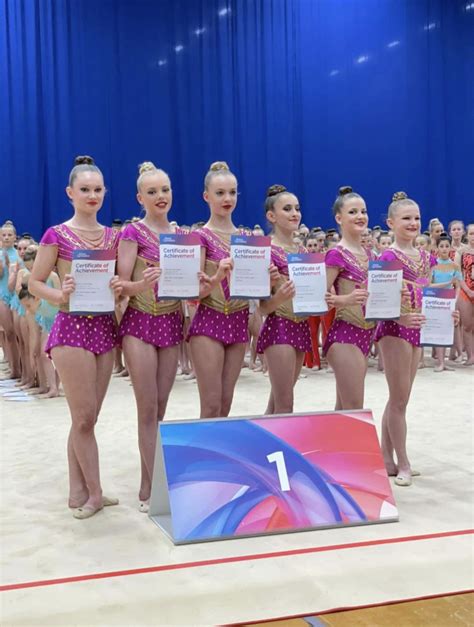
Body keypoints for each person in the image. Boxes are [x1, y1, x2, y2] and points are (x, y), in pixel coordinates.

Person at [29, 155, 122, 519]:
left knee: (88, 418)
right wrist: (60, 294)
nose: (92, 195)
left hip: (104, 328)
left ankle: (77, 491)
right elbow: (35, 282)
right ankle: (94, 494)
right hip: (71, 329)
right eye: (85, 189)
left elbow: (120, 286)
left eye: (97, 189)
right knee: (82, 418)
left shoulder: (113, 236)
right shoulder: (56, 234)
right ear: (70, 193)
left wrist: (119, 288)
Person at [375, 192, 459, 486]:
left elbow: (431, 293)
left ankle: (386, 458)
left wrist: (447, 313)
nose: (413, 223)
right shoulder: (387, 257)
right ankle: (404, 462)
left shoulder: (425, 257)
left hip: (418, 327)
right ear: (390, 223)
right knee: (399, 400)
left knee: (400, 398)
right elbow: (378, 302)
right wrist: (400, 318)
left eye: (417, 218)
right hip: (395, 329)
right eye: (406, 218)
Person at [117, 162, 184, 512]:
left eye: (165, 190)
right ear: (140, 197)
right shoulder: (132, 232)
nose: (161, 196)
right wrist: (141, 285)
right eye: (153, 191)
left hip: (171, 323)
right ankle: (152, 485)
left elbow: (190, 286)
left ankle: (152, 478)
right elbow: (120, 283)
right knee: (147, 407)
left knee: (161, 406)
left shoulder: (181, 235)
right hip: (140, 323)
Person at [187, 161, 275, 418]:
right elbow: (192, 293)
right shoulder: (200, 237)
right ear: (206, 196)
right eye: (220, 193)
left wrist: (269, 279)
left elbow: (258, 294)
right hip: (208, 321)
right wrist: (217, 278)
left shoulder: (247, 239)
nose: (227, 199)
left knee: (225, 404)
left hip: (238, 322)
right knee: (211, 404)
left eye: (232, 192)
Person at [257, 185, 312, 414]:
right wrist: (279, 296)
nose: (295, 213)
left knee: (278, 401)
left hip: (300, 325)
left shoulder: (303, 252)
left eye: (297, 208)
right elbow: (262, 308)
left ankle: (263, 437)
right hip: (279, 326)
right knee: (285, 403)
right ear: (272, 216)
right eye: (287, 209)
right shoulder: (265, 250)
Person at [323, 186, 375, 410]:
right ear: (339, 218)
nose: (360, 216)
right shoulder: (336, 254)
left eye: (363, 211)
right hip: (345, 334)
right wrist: (346, 300)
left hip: (366, 333)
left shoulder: (370, 254)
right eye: (353, 212)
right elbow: (317, 297)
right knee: (354, 408)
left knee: (344, 409)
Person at [430, 234, 462, 372]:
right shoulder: (433, 265)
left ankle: (444, 361)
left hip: (449, 301)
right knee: (438, 330)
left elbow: (458, 286)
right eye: (441, 246)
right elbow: (429, 284)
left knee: (446, 330)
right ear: (437, 248)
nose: (444, 249)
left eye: (446, 246)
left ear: (450, 248)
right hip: (436, 300)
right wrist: (447, 283)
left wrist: (455, 300)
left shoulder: (455, 266)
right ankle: (440, 362)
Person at [0, 222, 21, 378]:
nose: (6, 237)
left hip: (17, 296)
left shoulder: (19, 254)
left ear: (15, 237)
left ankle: (23, 367)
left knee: (19, 334)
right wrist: (2, 267)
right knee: (8, 332)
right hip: (3, 294)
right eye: (4, 235)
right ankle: (14, 368)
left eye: (9, 235)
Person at [455, 223, 474, 365]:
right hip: (465, 291)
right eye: (471, 234)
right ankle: (470, 356)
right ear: (467, 236)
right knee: (467, 326)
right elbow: (457, 273)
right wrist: (467, 290)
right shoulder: (461, 252)